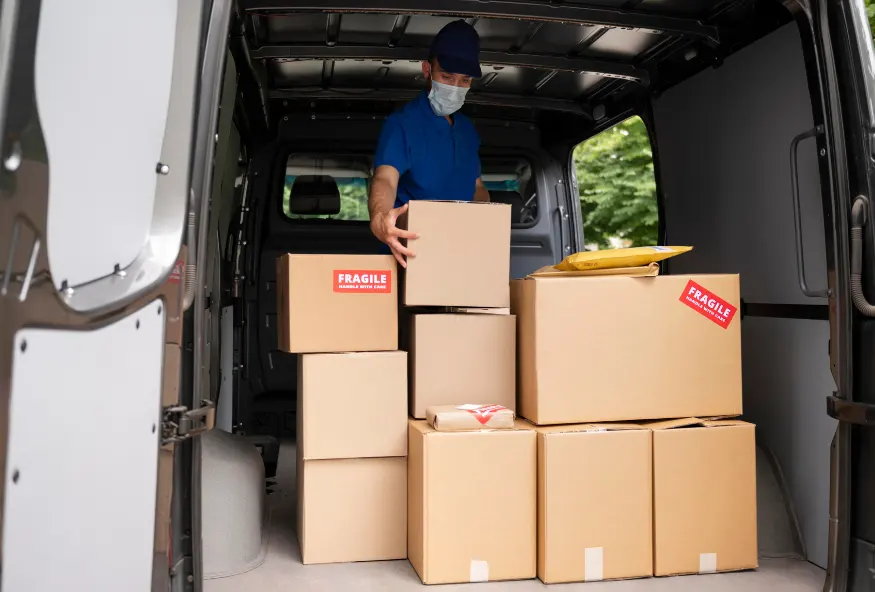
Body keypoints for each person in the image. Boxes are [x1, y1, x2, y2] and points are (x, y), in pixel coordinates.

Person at [368, 20, 490, 267]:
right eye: (447, 76)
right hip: (410, 255)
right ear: (427, 70)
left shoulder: (467, 131)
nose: (455, 88)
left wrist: (486, 221)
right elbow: (385, 179)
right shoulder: (403, 124)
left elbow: (476, 186)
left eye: (464, 80)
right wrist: (380, 219)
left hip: (461, 255)